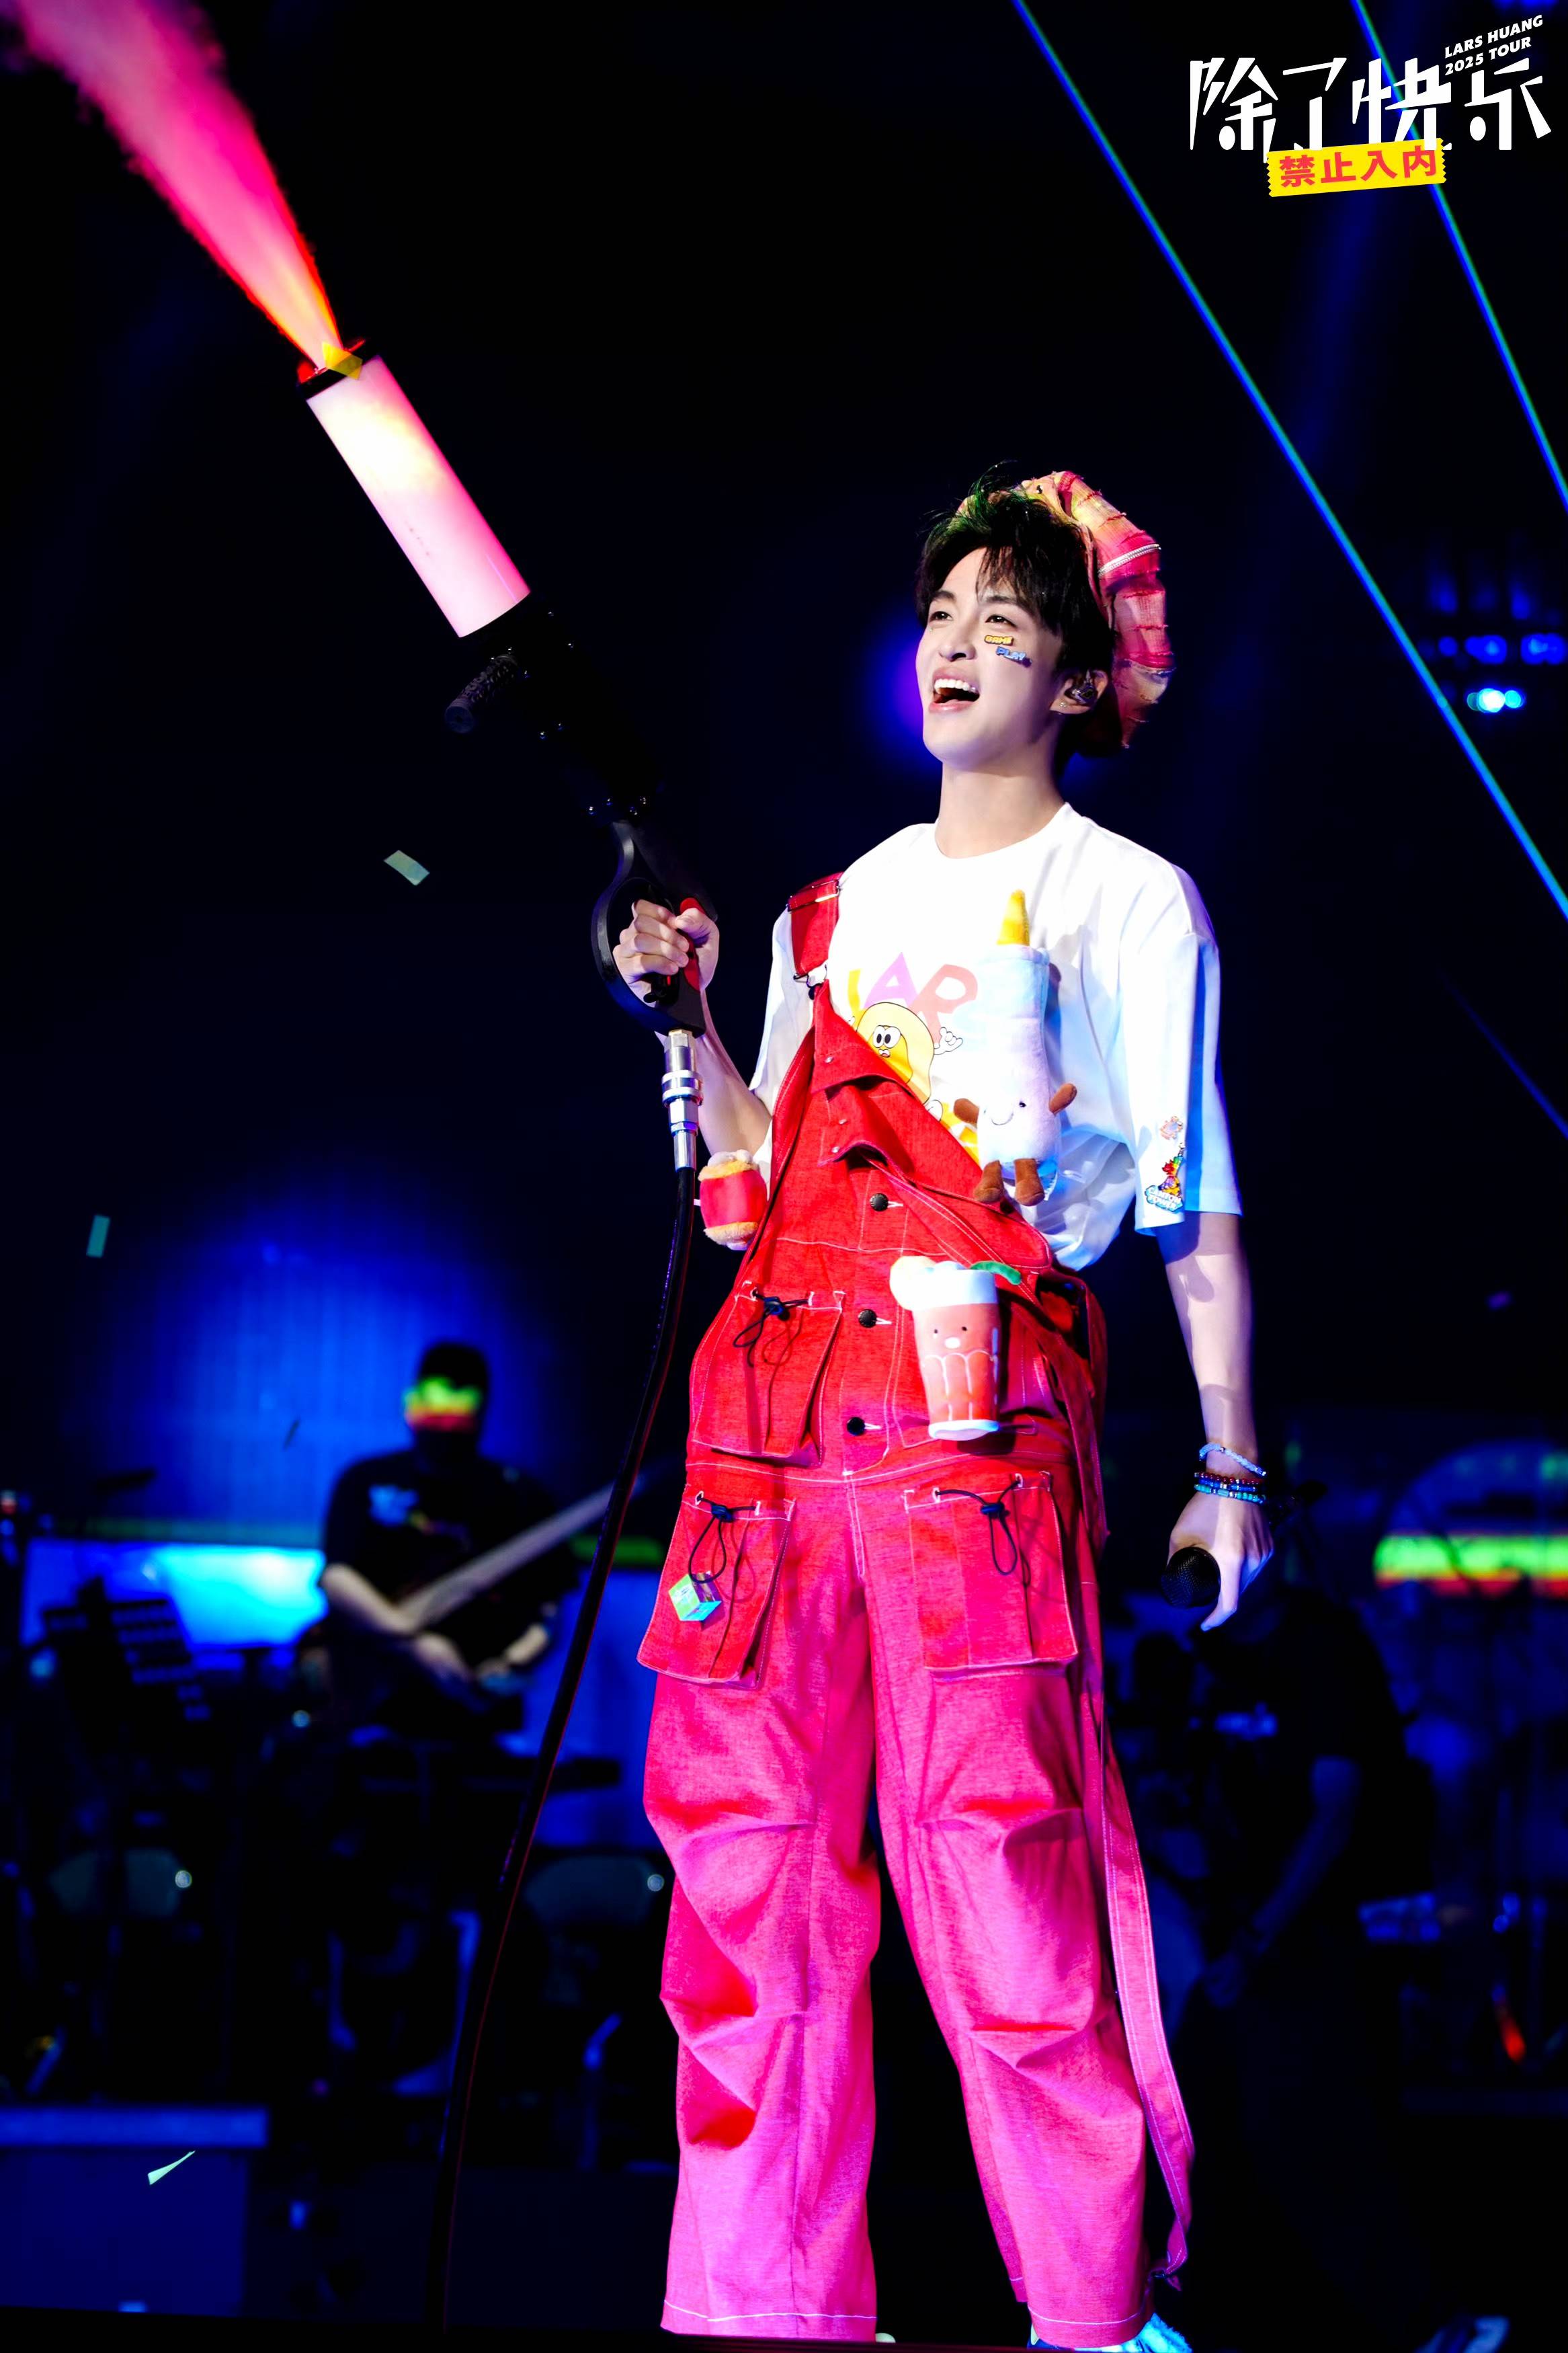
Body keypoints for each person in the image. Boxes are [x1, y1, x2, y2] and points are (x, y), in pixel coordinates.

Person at [613, 467, 1272, 2350]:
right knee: (746, 1909)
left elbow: (1191, 1205)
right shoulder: (833, 908)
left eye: (1004, 620)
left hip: (969, 1441)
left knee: (1007, 1896)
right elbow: (752, 1184)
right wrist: (689, 1016)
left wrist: (1230, 1465)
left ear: (1080, 677)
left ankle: (1091, 2316)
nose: (956, 647)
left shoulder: (1127, 900)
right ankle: (757, 2317)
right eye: (939, 615)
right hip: (767, 1435)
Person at [307, 1340, 577, 1728]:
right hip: (368, 1700)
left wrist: (510, 1664)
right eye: (432, 1412)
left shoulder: (521, 1495)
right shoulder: (365, 1480)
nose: (443, 1433)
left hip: (476, 1710)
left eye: (457, 1417)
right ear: (413, 1407)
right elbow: (337, 1577)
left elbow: (548, 1610)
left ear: (480, 1414)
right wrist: (416, 1643)